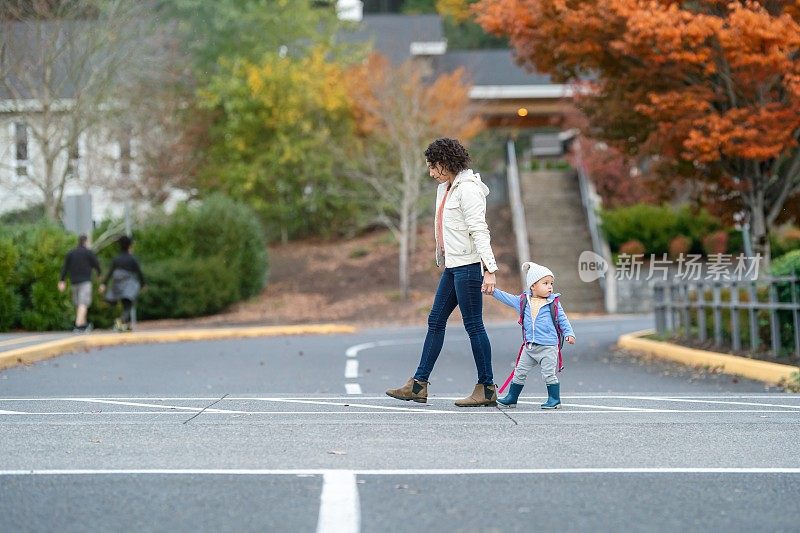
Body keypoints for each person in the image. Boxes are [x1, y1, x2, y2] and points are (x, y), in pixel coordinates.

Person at [386, 137, 500, 407]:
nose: (431, 172)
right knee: (435, 320)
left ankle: (486, 387)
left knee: (473, 326)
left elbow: (479, 230)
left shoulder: (468, 189)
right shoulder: (447, 188)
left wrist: (490, 269)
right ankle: (418, 385)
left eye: (433, 166)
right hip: (453, 266)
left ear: (446, 162)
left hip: (469, 267)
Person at [492, 262, 576, 409]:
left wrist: (569, 333)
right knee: (519, 372)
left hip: (548, 347)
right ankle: (512, 398)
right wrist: (492, 291)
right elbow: (506, 298)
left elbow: (562, 320)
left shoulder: (553, 303)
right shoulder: (523, 301)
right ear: (533, 286)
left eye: (551, 283)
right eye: (545, 283)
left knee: (548, 374)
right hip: (529, 347)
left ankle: (554, 399)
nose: (550, 286)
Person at [99, 235, 144, 332]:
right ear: (130, 246)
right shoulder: (132, 259)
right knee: (128, 304)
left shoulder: (116, 259)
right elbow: (139, 272)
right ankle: (121, 320)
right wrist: (143, 284)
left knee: (123, 304)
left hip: (117, 285)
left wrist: (104, 284)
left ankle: (124, 324)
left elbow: (110, 272)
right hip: (128, 285)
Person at [58, 234, 101, 333]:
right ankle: (78, 325)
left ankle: (83, 325)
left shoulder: (71, 253)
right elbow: (97, 265)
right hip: (85, 281)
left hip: (74, 282)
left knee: (79, 304)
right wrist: (99, 275)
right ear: (86, 241)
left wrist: (62, 280)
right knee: (84, 303)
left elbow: (65, 267)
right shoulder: (88, 253)